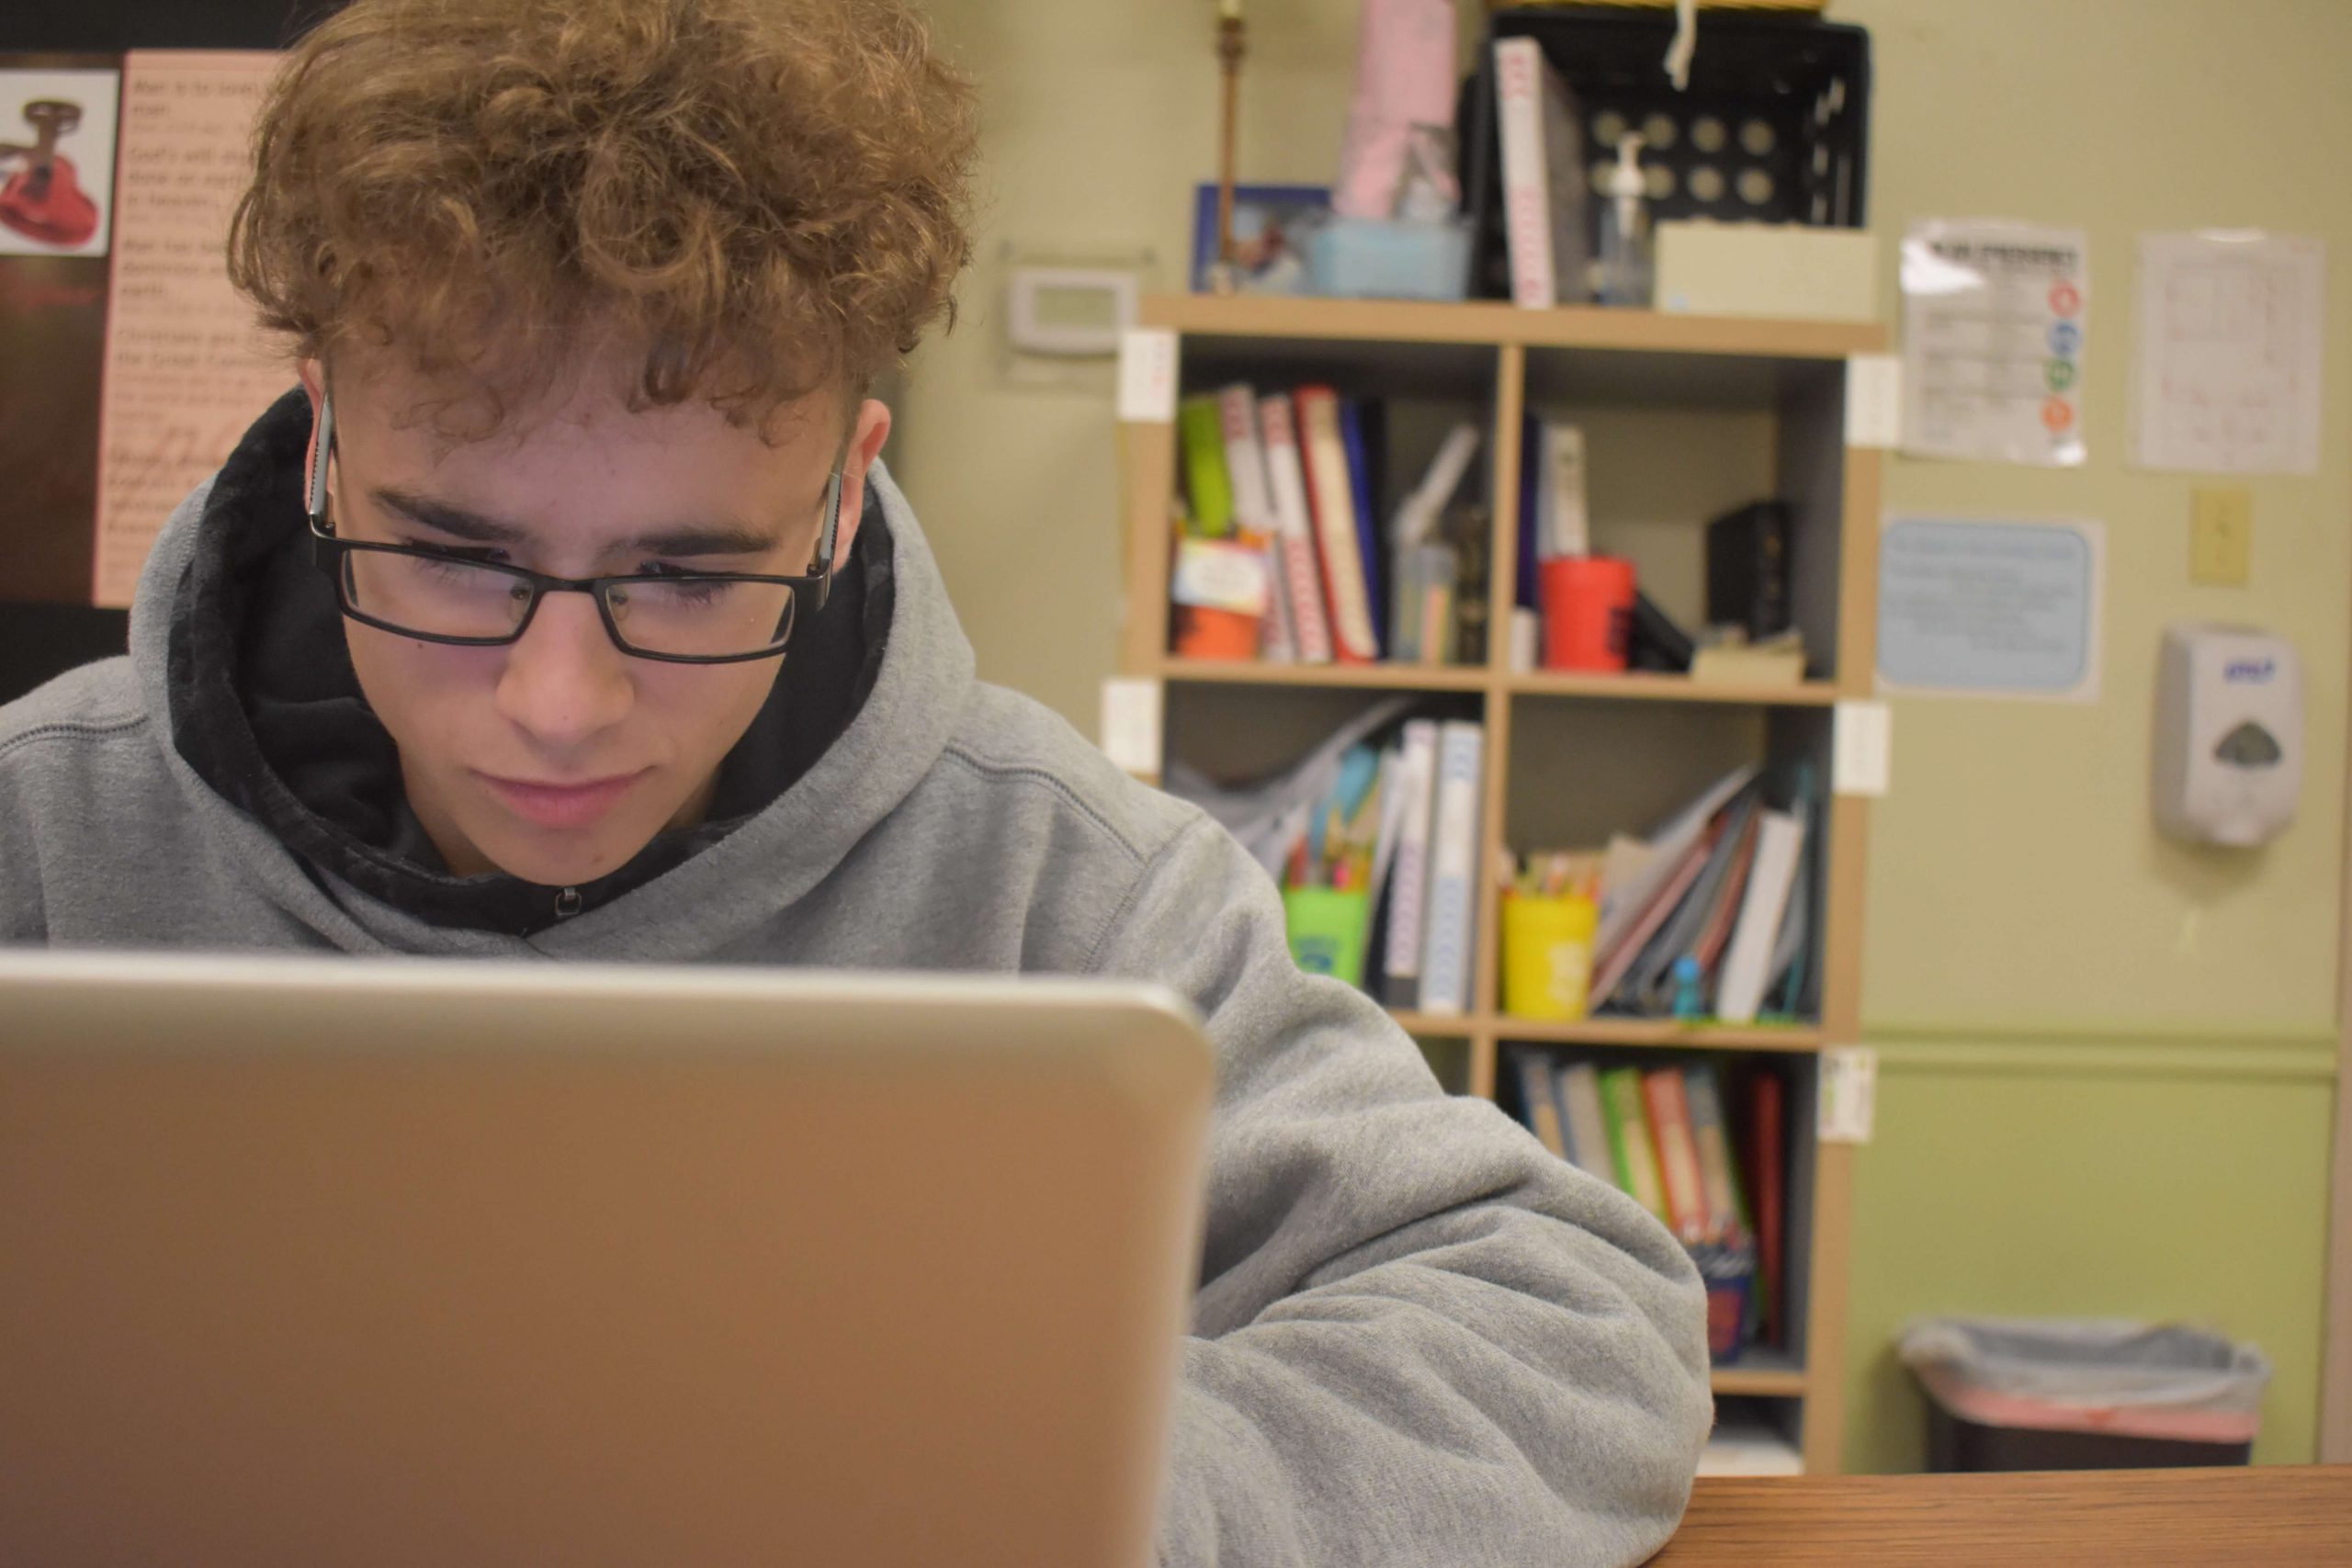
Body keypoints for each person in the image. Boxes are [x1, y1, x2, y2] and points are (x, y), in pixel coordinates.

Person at [0, 2, 1710, 1561]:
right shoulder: (41, 830)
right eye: (454, 558)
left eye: (687, 577)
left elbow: (1568, 1327)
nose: (561, 703)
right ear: (322, 442)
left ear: (838, 495)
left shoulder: (1073, 889)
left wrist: (1079, 1494)